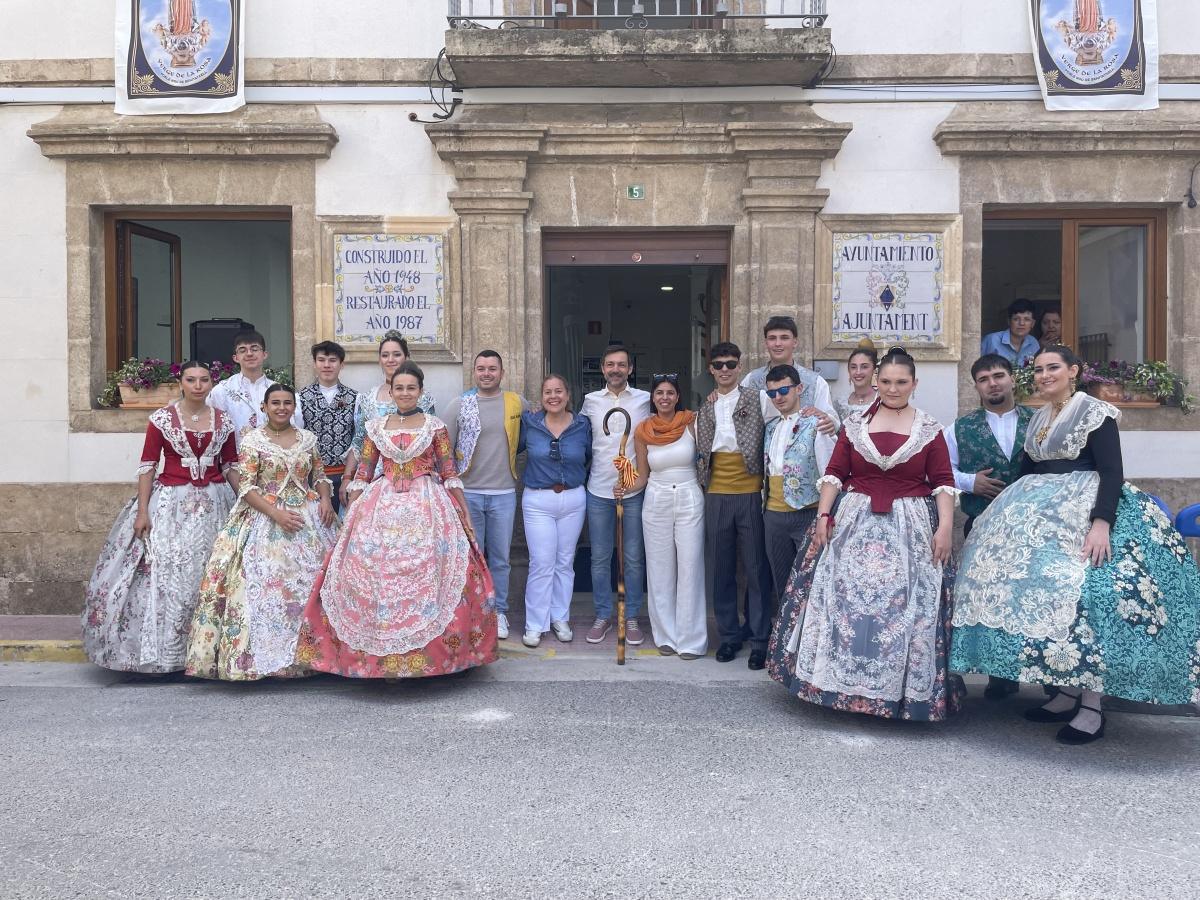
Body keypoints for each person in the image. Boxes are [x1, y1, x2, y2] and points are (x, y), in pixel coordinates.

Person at [951, 345, 1200, 745]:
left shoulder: (1094, 412)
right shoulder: (1038, 420)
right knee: (1048, 596)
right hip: (1041, 516)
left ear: (1074, 371)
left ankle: (1092, 704)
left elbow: (1111, 471)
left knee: (1091, 596)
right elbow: (1028, 473)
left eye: (1053, 368)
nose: (1045, 375)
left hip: (1084, 511)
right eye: (1039, 369)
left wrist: (1101, 524)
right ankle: (1066, 691)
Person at [767, 347, 964, 721]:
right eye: (886, 381)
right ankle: (838, 685)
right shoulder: (855, 424)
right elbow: (835, 473)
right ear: (877, 382)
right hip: (853, 524)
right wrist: (824, 515)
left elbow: (942, 482)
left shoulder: (929, 428)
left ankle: (897, 694)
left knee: (901, 610)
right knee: (845, 605)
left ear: (914, 383)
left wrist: (945, 529)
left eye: (901, 382)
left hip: (910, 529)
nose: (893, 389)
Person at [295, 363, 499, 678]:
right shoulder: (376, 426)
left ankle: (432, 659)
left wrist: (464, 513)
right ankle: (378, 661)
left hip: (427, 505)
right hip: (381, 503)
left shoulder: (435, 427)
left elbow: (448, 472)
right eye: (399, 388)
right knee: (372, 571)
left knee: (433, 573)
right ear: (391, 391)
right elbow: (364, 471)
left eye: (411, 388)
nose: (405, 393)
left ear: (420, 391)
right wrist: (353, 509)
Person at [82, 361, 238, 673]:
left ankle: (206, 655)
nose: (198, 385)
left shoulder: (223, 420)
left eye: (204, 380)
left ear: (211, 384)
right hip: (170, 505)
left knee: (211, 574)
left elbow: (230, 464)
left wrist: (244, 501)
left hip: (215, 504)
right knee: (168, 574)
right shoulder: (162, 419)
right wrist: (142, 511)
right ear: (181, 382)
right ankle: (167, 656)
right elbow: (148, 465)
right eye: (191, 380)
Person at [185, 384, 339, 681]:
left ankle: (313, 655)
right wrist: (276, 514)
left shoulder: (307, 439)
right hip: (265, 518)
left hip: (308, 519)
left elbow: (319, 475)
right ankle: (267, 659)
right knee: (267, 585)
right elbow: (246, 487)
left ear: (294, 407)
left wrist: (323, 499)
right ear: (264, 408)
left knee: (314, 584)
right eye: (275, 403)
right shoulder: (253, 440)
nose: (282, 408)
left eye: (287, 403)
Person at [942, 353, 1035, 700]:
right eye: (984, 379)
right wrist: (969, 482)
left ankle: (1046, 676)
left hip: (1031, 527)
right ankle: (1000, 675)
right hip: (982, 527)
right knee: (991, 603)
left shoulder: (1038, 421)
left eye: (998, 376)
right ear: (977, 386)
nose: (992, 383)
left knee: (1029, 602)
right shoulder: (959, 428)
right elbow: (938, 469)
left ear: (1012, 379)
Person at [618, 373, 706, 660]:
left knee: (690, 566)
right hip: (656, 498)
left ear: (677, 397)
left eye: (670, 393)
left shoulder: (692, 422)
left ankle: (691, 640)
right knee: (659, 569)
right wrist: (624, 487)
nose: (665, 397)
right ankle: (666, 636)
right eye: (659, 393)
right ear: (652, 398)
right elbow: (642, 476)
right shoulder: (644, 430)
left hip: (689, 495)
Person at [697, 342, 773, 669]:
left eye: (730, 364)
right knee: (722, 569)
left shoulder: (759, 399)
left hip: (750, 492)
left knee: (756, 569)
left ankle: (759, 639)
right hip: (716, 492)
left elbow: (786, 417)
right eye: (719, 365)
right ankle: (728, 636)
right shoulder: (705, 407)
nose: (725, 369)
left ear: (739, 366)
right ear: (711, 369)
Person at [444, 350, 527, 642]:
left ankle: (500, 611)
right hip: (470, 495)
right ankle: (475, 612)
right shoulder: (460, 405)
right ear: (475, 373)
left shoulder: (517, 403)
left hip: (504, 492)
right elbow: (445, 451)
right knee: (472, 557)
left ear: (501, 373)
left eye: (492, 368)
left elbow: (527, 439)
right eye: (481, 368)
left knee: (501, 558)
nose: (487, 373)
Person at [580, 345, 652, 645]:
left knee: (633, 558)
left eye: (621, 365)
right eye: (610, 364)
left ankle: (631, 615)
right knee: (600, 557)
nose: (616, 369)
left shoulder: (645, 400)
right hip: (598, 489)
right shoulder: (590, 402)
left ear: (630, 369)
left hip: (633, 489)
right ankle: (602, 615)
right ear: (602, 368)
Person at [518, 374, 592, 648]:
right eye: (548, 392)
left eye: (558, 391)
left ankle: (560, 617)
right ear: (541, 396)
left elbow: (589, 458)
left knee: (564, 562)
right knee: (541, 562)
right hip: (538, 500)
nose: (553, 396)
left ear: (568, 395)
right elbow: (511, 447)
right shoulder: (530, 422)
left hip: (573, 498)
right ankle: (535, 624)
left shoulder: (583, 424)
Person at [762, 365, 831, 612]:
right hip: (773, 515)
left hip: (807, 513)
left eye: (783, 390)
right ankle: (784, 645)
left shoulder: (817, 424)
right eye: (772, 393)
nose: (778, 397)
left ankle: (806, 646)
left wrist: (824, 516)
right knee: (781, 583)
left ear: (799, 388)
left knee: (810, 584)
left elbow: (828, 473)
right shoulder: (770, 427)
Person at [345, 330, 436, 489]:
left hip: (414, 478)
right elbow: (358, 441)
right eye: (385, 355)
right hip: (371, 478)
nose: (391, 360)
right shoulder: (368, 399)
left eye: (396, 354)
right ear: (379, 360)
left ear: (406, 357)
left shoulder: (423, 398)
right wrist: (347, 477)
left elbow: (432, 442)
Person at [740, 315, 839, 432]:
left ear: (795, 342)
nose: (778, 343)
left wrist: (828, 420)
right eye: (772, 338)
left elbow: (832, 421)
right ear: (766, 343)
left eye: (784, 338)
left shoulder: (815, 382)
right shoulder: (751, 380)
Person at [296, 341, 357, 513]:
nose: (327, 365)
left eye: (332, 360)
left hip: (344, 475)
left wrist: (349, 477)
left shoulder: (355, 398)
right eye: (321, 360)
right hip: (311, 477)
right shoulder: (300, 398)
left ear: (341, 364)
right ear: (314, 364)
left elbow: (357, 438)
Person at [208, 329, 295, 448]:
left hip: (274, 459)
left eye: (254, 349)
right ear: (235, 358)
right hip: (235, 462)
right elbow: (214, 430)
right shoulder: (222, 391)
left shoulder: (279, 391)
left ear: (264, 354)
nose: (249, 354)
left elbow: (294, 426)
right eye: (242, 350)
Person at [980, 298, 1040, 367]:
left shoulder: (1033, 343)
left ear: (1032, 323)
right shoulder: (992, 340)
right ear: (1009, 321)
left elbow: (1033, 369)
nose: (1021, 323)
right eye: (1016, 319)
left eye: (1027, 319)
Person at [834, 339, 878, 422]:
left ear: (874, 370)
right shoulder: (840, 403)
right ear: (849, 371)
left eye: (864, 367)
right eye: (853, 367)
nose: (858, 372)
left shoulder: (882, 401)